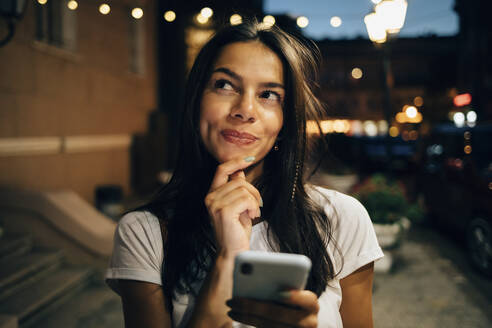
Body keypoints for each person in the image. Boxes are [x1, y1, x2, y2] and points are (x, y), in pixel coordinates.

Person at [106, 20, 383, 328]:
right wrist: (228, 257)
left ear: (284, 123)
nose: (245, 109)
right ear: (197, 100)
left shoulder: (341, 218)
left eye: (269, 95)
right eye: (225, 85)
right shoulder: (145, 232)